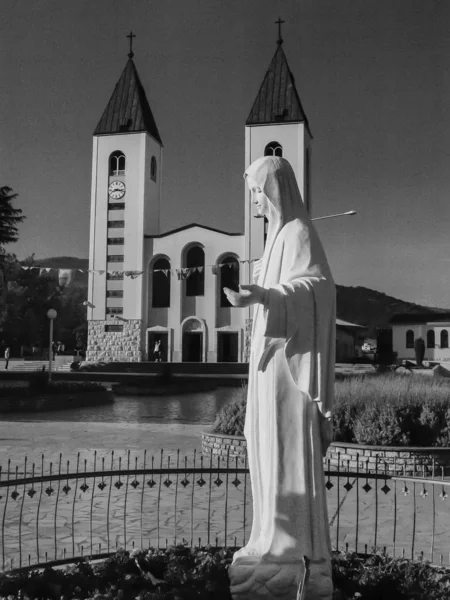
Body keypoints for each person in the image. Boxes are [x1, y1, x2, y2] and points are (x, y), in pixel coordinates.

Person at [225, 156, 336, 600]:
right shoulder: (274, 240)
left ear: (275, 188)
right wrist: (256, 294)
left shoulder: (298, 233)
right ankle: (269, 537)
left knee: (285, 449)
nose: (254, 200)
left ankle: (295, 550)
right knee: (264, 445)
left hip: (291, 373)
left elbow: (320, 291)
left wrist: (268, 294)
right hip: (268, 365)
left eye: (257, 191)